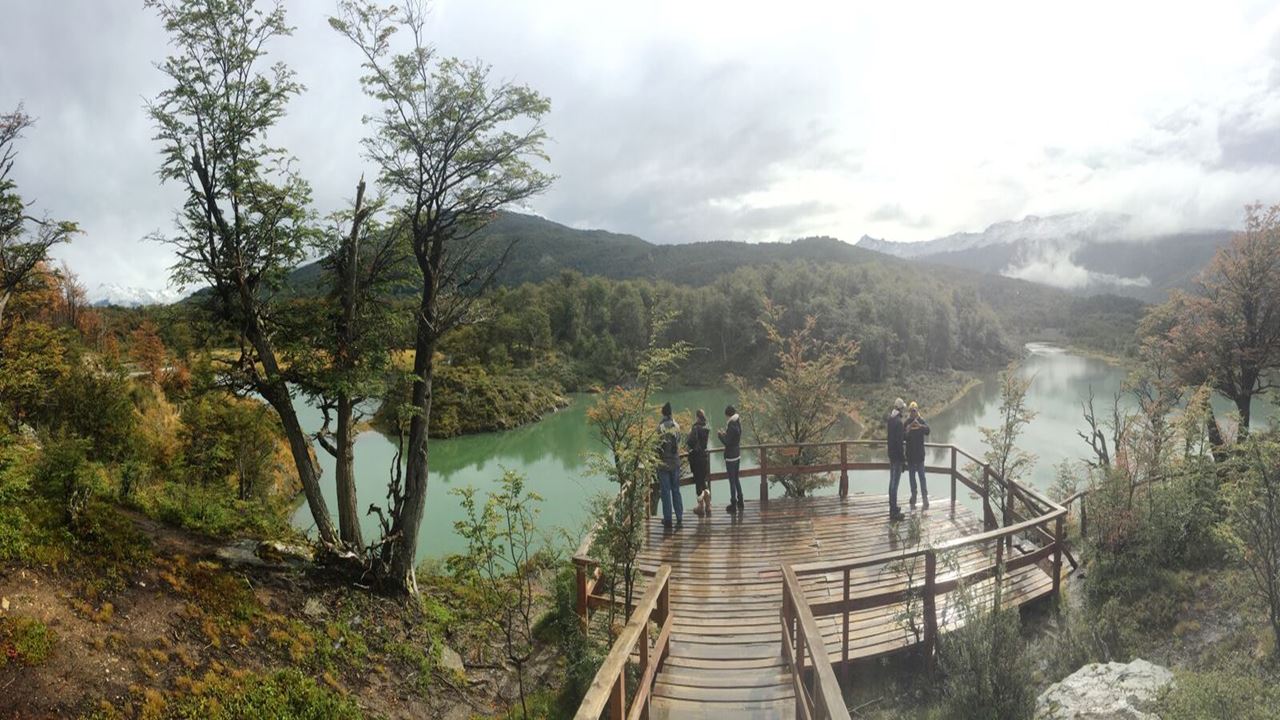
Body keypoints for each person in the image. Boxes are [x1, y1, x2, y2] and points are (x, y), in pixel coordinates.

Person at [656, 402, 684, 530]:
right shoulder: (677, 426)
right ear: (671, 413)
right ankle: (679, 518)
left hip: (663, 465)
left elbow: (656, 446)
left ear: (663, 413)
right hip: (675, 462)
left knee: (666, 492)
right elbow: (678, 442)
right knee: (676, 490)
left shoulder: (660, 427)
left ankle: (668, 520)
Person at [904, 401, 931, 509]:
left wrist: (920, 426)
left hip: (920, 456)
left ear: (917, 411)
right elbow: (903, 436)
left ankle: (925, 498)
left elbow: (928, 431)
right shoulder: (907, 422)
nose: (913, 413)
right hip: (910, 456)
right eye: (911, 411)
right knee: (911, 477)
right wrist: (909, 427)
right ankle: (914, 496)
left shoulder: (921, 420)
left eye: (914, 411)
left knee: (922, 477)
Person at [686, 408, 712, 517]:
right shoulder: (706, 427)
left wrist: (688, 435)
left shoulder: (696, 428)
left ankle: (701, 507)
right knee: (703, 482)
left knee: (698, 483)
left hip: (697, 459)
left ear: (697, 416)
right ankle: (708, 506)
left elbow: (690, 442)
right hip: (704, 458)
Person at [718, 405, 743, 514]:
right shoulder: (737, 423)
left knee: (732, 481)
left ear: (728, 415)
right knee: (736, 479)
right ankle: (740, 501)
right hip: (737, 455)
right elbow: (733, 438)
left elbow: (727, 442)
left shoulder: (731, 425)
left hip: (731, 457)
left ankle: (733, 504)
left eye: (726, 416)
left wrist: (720, 435)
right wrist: (726, 434)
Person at [886, 398, 907, 521]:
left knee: (891, 482)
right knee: (895, 484)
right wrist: (903, 459)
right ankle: (894, 512)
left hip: (891, 455)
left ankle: (893, 507)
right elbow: (899, 442)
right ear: (900, 409)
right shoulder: (899, 422)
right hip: (897, 457)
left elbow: (891, 438)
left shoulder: (890, 419)